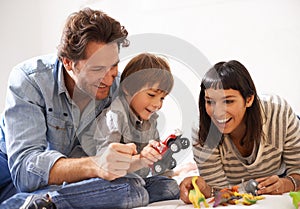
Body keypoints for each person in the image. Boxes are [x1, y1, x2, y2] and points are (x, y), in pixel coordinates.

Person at [0, 7, 154, 209]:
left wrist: (146, 157)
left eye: (114, 66)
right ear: (68, 63)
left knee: (150, 187)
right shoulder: (30, 80)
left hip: (63, 182)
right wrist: (96, 164)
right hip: (8, 175)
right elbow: (24, 173)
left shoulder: (118, 88)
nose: (109, 79)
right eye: (97, 69)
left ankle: (40, 203)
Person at [180, 60, 300, 204]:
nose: (217, 112)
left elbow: (298, 169)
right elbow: (220, 190)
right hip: (242, 181)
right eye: (210, 102)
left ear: (249, 99)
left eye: (228, 101)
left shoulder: (278, 112)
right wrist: (206, 188)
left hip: (281, 167)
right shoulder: (202, 129)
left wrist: (288, 183)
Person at [80, 52, 180, 203]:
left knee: (170, 188)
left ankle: (139, 194)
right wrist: (140, 159)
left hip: (132, 180)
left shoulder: (151, 120)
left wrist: (165, 166)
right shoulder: (115, 116)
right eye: (152, 95)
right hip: (101, 181)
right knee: (132, 190)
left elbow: (160, 164)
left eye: (162, 98)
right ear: (127, 89)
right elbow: (108, 167)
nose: (158, 104)